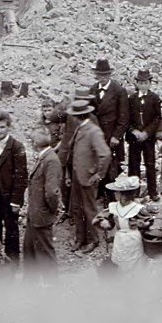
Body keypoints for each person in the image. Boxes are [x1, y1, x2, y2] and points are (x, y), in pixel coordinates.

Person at [67, 99, 111, 253]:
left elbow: (105, 154)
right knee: (77, 208)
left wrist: (98, 174)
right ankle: (80, 239)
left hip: (87, 177)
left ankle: (94, 239)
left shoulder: (93, 131)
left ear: (78, 116)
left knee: (90, 209)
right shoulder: (80, 128)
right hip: (77, 176)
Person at [0, 110, 28, 263]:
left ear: (8, 127)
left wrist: (16, 200)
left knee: (11, 228)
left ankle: (13, 260)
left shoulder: (16, 147)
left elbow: (21, 176)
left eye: (2, 127)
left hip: (9, 196)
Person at [23, 122, 62, 268]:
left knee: (45, 254)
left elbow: (52, 192)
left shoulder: (50, 160)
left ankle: (50, 286)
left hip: (41, 215)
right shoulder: (45, 157)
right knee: (30, 252)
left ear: (35, 143)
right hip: (35, 214)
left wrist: (50, 211)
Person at [95, 175, 149, 270]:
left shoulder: (137, 208)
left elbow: (148, 220)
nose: (115, 194)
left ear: (123, 195)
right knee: (120, 260)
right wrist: (106, 222)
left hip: (133, 237)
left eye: (117, 192)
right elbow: (106, 220)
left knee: (134, 261)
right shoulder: (114, 206)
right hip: (120, 238)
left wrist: (143, 225)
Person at [127, 69, 162, 202]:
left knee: (150, 164)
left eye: (146, 83)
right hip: (135, 138)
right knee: (133, 164)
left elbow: (157, 118)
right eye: (140, 83)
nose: (143, 85)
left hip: (148, 138)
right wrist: (134, 131)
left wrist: (147, 132)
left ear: (150, 83)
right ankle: (133, 191)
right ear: (136, 83)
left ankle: (152, 191)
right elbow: (127, 118)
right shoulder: (131, 98)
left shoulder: (155, 98)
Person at [94, 58, 130, 182]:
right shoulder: (92, 90)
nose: (102, 77)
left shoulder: (119, 91)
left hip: (112, 135)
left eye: (105, 74)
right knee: (98, 162)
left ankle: (111, 197)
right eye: (99, 74)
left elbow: (124, 116)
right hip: (97, 134)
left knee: (112, 166)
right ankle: (99, 194)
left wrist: (117, 136)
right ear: (96, 75)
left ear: (109, 74)